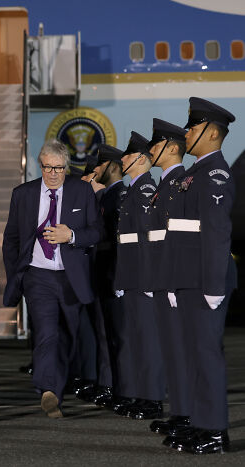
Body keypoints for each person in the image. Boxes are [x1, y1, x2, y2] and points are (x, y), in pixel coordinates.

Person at [2, 139, 102, 418]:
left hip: (71, 277)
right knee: (47, 332)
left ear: (66, 166)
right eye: (48, 167)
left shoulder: (82, 191)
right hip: (38, 276)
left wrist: (71, 236)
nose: (53, 173)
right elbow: (11, 239)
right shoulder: (23, 194)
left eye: (59, 168)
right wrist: (17, 275)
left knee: (67, 334)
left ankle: (57, 383)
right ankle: (49, 391)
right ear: (40, 165)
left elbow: (97, 231)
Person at [161, 98, 236, 454]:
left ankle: (216, 432)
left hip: (206, 281)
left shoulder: (215, 173)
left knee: (207, 356)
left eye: (193, 127)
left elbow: (217, 233)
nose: (187, 132)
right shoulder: (194, 174)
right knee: (194, 355)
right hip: (188, 278)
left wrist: (214, 285)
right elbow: (180, 232)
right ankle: (199, 422)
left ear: (211, 132)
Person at [140, 119, 189, 437]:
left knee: (181, 350)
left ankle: (187, 414)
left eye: (156, 145)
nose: (151, 150)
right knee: (171, 349)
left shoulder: (180, 183)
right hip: (160, 277)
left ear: (172, 148)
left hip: (173, 279)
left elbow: (183, 239)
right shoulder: (165, 185)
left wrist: (172, 281)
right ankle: (181, 411)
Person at [113, 131, 165, 420]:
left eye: (128, 155)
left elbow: (148, 241)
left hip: (142, 278)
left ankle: (153, 398)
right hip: (131, 277)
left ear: (142, 159)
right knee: (136, 338)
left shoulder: (145, 189)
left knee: (148, 340)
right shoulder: (135, 189)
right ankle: (143, 395)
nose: (122, 159)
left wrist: (146, 280)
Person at [75, 144, 126, 407]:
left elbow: (117, 241)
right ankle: (106, 382)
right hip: (100, 271)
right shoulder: (105, 197)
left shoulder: (117, 196)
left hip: (113, 272)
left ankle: (111, 384)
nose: (94, 172)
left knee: (113, 335)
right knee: (102, 332)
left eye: (99, 166)